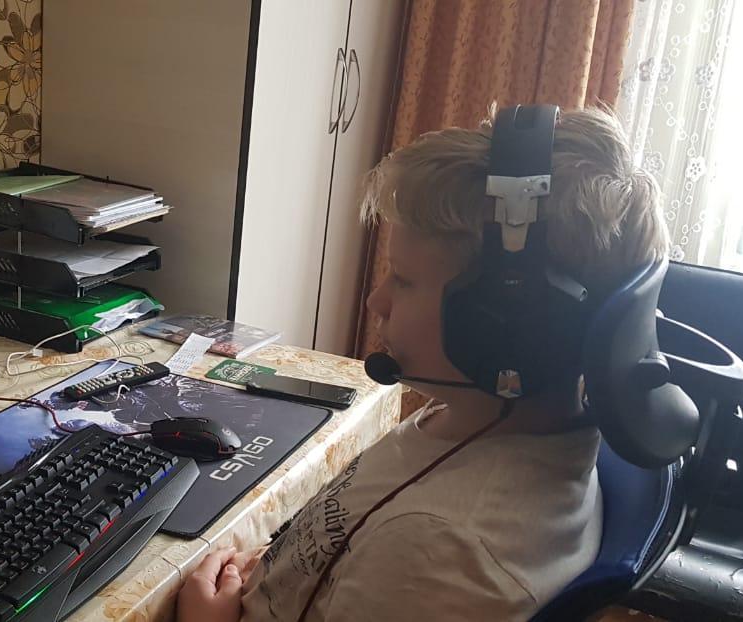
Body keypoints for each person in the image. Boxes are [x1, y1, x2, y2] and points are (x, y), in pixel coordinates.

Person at [177, 107, 668, 621]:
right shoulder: (474, 420)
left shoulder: (440, 551)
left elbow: (405, 563)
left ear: (507, 324)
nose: (377, 301)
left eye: (404, 280)